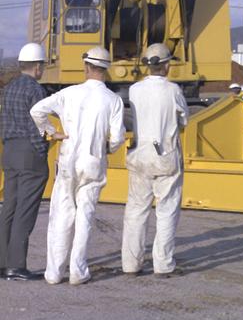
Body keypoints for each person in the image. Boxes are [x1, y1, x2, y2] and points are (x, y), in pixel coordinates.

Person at [30, 45, 125, 285]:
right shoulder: (113, 100)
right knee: (85, 215)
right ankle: (77, 271)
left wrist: (52, 132)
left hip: (68, 159)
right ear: (106, 69)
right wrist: (106, 150)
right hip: (93, 161)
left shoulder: (68, 94)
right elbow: (117, 139)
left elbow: (37, 110)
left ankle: (53, 273)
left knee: (62, 214)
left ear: (86, 67)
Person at [122, 43, 188, 277]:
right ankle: (163, 264)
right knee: (167, 211)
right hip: (165, 158)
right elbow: (183, 121)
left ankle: (130, 264)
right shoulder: (173, 90)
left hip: (139, 156)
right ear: (167, 65)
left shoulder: (134, 90)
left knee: (136, 211)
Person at [0, 43, 51, 280]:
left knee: (9, 207)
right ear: (38, 66)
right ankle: (16, 266)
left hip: (9, 151)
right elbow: (37, 128)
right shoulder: (36, 91)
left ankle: (2, 263)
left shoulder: (9, 88)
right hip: (29, 153)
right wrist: (43, 149)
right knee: (25, 210)